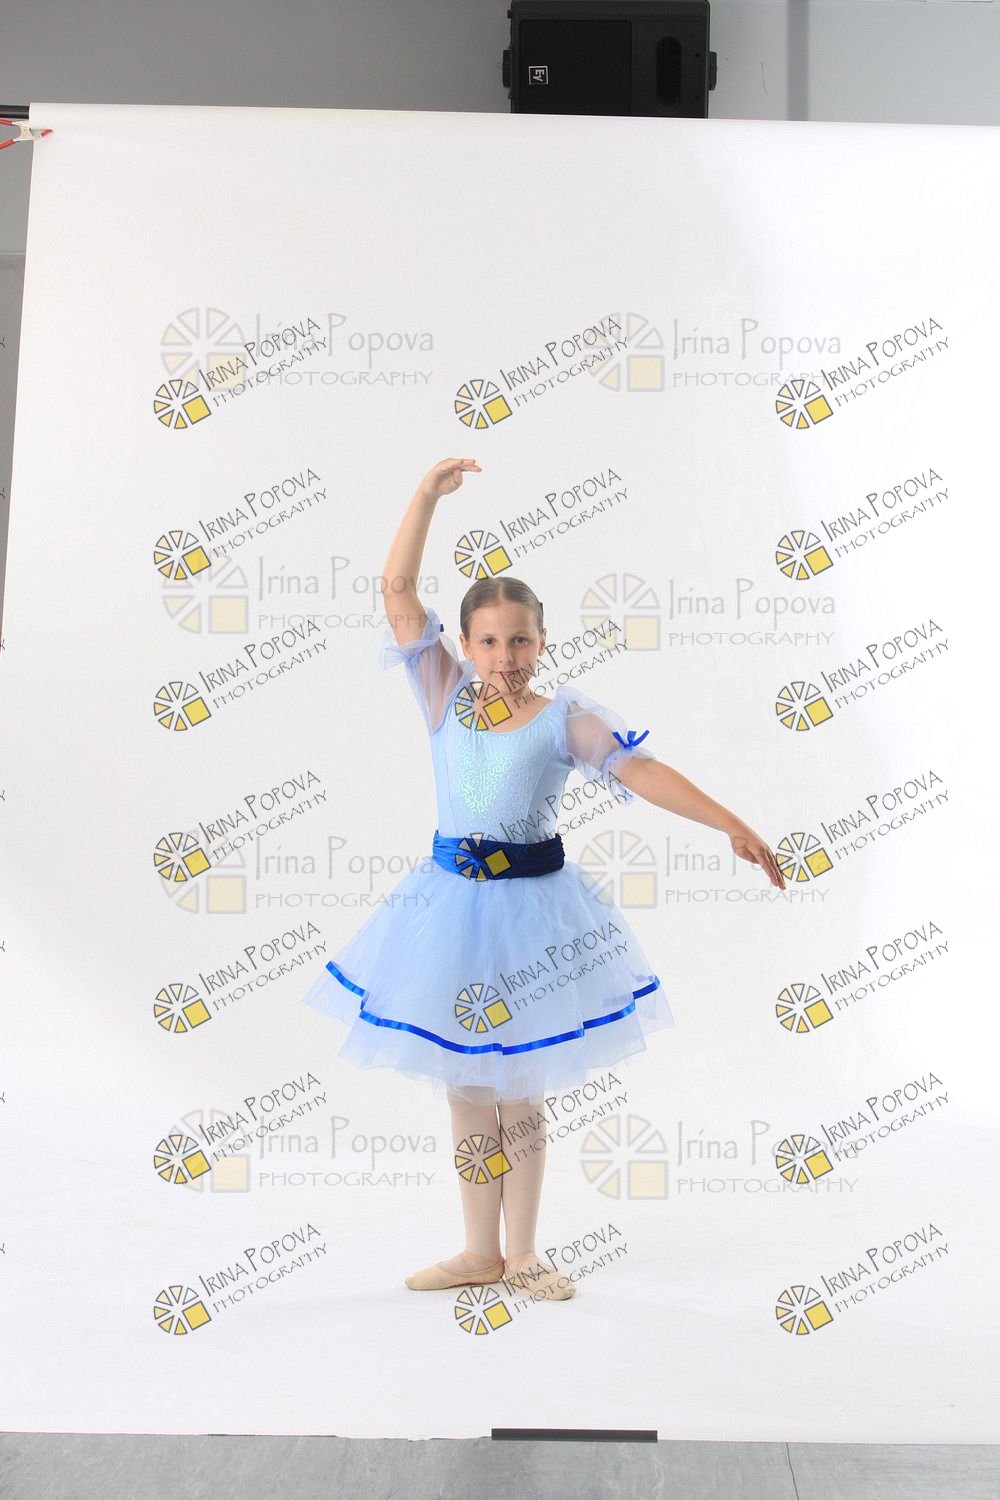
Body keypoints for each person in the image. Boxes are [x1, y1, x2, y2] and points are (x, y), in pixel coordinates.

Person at [300, 457, 786, 1303]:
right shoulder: (443, 693)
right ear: (466, 645)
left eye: (520, 639)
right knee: (465, 1088)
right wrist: (423, 498)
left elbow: (643, 772)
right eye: (489, 640)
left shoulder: (563, 718)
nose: (505, 655)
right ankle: (477, 1251)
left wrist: (730, 823)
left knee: (520, 1090)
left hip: (534, 918)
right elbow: (397, 591)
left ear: (543, 641)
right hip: (447, 911)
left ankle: (522, 1253)